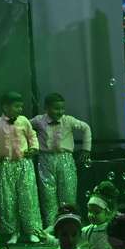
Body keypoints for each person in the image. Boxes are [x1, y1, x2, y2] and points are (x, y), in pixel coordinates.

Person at [0, 91, 44, 246]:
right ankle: (13, 232)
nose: (20, 109)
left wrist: (34, 148)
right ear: (5, 107)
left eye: (21, 106)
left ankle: (31, 231)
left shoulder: (23, 121)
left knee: (28, 197)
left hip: (24, 164)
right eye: (17, 106)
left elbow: (32, 136)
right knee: (8, 199)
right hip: (5, 166)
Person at [30, 92, 92, 231]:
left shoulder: (68, 120)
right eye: (56, 108)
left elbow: (86, 128)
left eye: (62, 108)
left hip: (65, 159)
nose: (60, 111)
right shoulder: (39, 120)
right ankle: (52, 225)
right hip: (45, 159)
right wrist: (30, 146)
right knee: (47, 194)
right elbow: (24, 127)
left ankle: (69, 222)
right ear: (46, 108)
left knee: (68, 192)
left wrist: (86, 149)